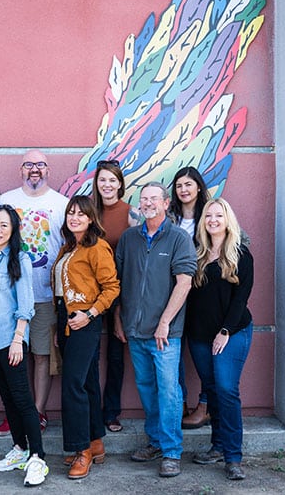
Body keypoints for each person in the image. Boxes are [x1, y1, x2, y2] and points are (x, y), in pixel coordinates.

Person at [114, 182, 196, 478]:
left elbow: (184, 283)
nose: (147, 203)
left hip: (165, 334)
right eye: (143, 199)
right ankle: (156, 442)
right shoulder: (129, 239)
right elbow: (119, 283)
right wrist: (118, 319)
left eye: (153, 199)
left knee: (169, 392)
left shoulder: (178, 238)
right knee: (147, 390)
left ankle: (172, 451)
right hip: (136, 331)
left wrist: (165, 322)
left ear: (165, 203)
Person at [0, 150, 68, 435]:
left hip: (45, 294)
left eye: (40, 165)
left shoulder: (60, 204)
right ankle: (14, 413)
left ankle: (37, 412)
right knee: (12, 357)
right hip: (9, 295)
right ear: (20, 169)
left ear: (48, 170)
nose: (34, 169)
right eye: (28, 164)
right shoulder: (6, 201)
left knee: (40, 355)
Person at [0, 205, 49, 487]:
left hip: (11, 341)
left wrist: (18, 339)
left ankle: (38, 458)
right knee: (7, 398)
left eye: (4, 225)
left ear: (14, 229)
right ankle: (19, 449)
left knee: (23, 401)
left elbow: (26, 305)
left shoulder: (19, 259)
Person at [187, 198, 253, 481]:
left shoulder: (240, 253)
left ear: (228, 220)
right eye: (208, 215)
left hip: (232, 332)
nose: (213, 220)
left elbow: (241, 298)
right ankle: (217, 446)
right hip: (199, 335)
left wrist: (225, 331)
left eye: (219, 215)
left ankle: (233, 457)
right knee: (212, 389)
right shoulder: (195, 250)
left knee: (226, 389)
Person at [54, 196, 120, 479]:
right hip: (65, 319)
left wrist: (90, 315)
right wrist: (61, 327)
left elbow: (112, 287)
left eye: (81, 214)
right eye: (71, 213)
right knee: (88, 381)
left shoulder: (97, 247)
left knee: (72, 384)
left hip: (84, 320)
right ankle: (95, 442)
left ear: (91, 218)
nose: (75, 218)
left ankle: (81, 451)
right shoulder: (69, 247)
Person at [90, 159, 137, 433]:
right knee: (90, 355)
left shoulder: (132, 214)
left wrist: (120, 305)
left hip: (121, 293)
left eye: (112, 180)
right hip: (90, 294)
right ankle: (92, 410)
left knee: (117, 354)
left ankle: (111, 412)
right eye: (102, 180)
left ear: (120, 183)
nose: (107, 185)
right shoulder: (89, 212)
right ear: (96, 184)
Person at [169, 166, 212, 429]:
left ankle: (206, 405)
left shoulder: (211, 214)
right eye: (179, 185)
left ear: (198, 187)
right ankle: (180, 403)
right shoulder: (169, 217)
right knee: (174, 352)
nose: (184, 190)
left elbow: (237, 242)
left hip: (202, 294)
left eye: (188, 184)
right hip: (173, 292)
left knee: (202, 354)